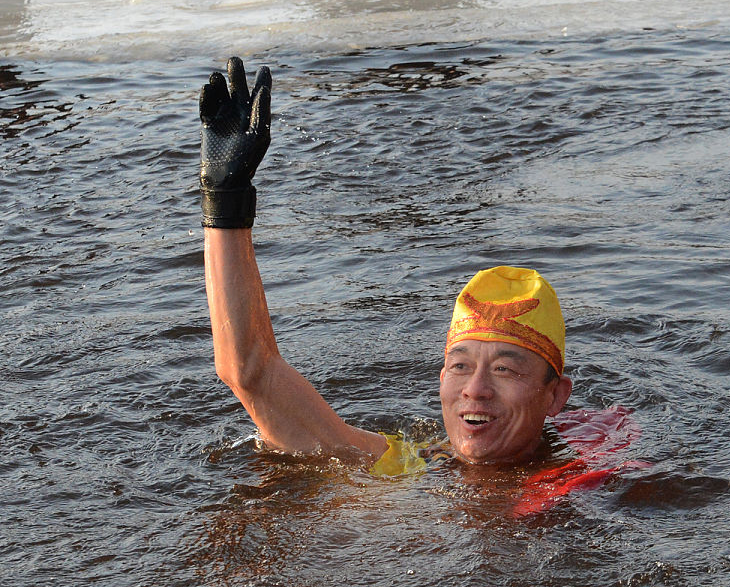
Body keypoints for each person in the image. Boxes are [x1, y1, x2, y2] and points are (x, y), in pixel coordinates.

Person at [200, 56, 578, 477]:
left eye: (505, 369)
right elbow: (252, 373)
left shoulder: (598, 485)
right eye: (460, 366)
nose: (475, 390)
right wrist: (225, 204)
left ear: (555, 396)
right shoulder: (405, 470)